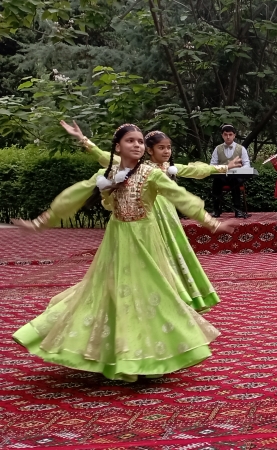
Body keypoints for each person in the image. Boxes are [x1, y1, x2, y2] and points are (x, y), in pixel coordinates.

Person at [10, 123, 234, 382]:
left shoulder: (151, 173)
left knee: (150, 292)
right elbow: (74, 196)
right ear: (118, 147)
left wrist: (212, 223)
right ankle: (117, 353)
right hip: (117, 240)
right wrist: (40, 222)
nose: (137, 145)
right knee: (111, 293)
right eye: (131, 141)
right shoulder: (108, 173)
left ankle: (148, 353)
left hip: (145, 241)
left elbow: (181, 197)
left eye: (140, 141)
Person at [68, 122, 240, 312]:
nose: (166, 151)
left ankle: (181, 294)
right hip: (147, 219)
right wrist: (83, 140)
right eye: (161, 147)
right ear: (149, 150)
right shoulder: (141, 167)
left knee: (173, 251)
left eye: (168, 147)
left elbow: (197, 171)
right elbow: (105, 157)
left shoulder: (167, 168)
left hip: (167, 216)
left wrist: (225, 167)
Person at [210, 124, 251, 218]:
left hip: (235, 176)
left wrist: (237, 171)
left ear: (234, 135)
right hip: (222, 176)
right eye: (225, 134)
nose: (228, 137)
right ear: (222, 135)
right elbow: (212, 165)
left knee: (235, 181)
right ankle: (216, 210)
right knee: (216, 181)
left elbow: (247, 165)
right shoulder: (217, 149)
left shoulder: (241, 149)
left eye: (230, 134)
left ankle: (238, 210)